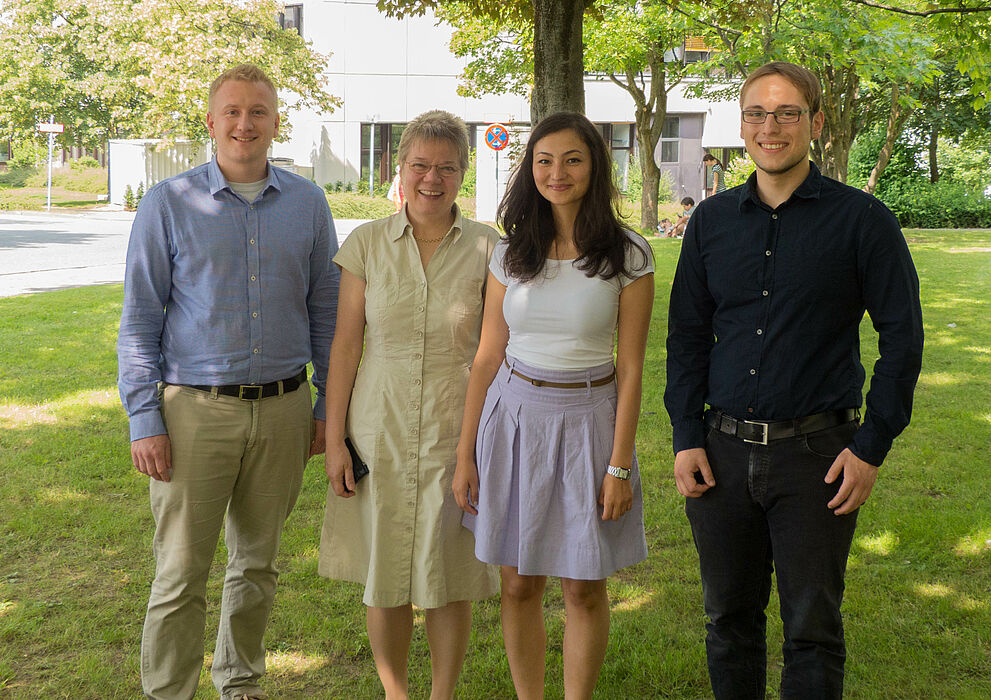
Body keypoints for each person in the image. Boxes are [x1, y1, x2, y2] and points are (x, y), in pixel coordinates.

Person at [664, 61, 923, 699]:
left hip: (819, 458)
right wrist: (685, 436)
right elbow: (688, 338)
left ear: (815, 122)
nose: (770, 127)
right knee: (728, 622)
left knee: (812, 630)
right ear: (742, 124)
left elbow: (902, 340)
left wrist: (871, 448)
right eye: (757, 114)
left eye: (787, 114)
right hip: (720, 453)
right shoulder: (711, 223)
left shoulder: (862, 221)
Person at [117, 64, 339, 699]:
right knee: (181, 572)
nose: (246, 123)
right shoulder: (168, 203)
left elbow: (325, 309)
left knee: (257, 566)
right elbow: (140, 318)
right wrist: (144, 417)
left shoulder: (308, 204)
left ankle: (239, 683)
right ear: (212, 123)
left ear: (275, 122)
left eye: (259, 111)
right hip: (194, 413)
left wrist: (327, 404)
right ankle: (169, 692)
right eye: (233, 112)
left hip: (284, 408)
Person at [453, 112, 654, 700]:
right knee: (517, 584)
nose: (556, 172)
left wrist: (619, 466)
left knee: (583, 586)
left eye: (572, 159)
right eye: (544, 160)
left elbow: (632, 366)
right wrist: (466, 455)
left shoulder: (628, 254)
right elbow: (488, 356)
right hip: (511, 421)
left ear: (595, 165)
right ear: (530, 169)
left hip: (589, 422)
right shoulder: (511, 253)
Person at [319, 109, 499, 700]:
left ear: (462, 174)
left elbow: (495, 351)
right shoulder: (366, 243)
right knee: (386, 573)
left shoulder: (488, 249)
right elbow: (346, 345)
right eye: (420, 165)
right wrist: (334, 439)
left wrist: (477, 446)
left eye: (446, 168)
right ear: (399, 168)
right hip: (379, 427)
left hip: (456, 429)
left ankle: (441, 695)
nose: (431, 178)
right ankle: (396, 692)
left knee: (448, 572)